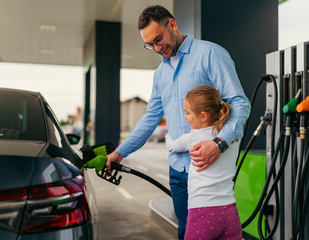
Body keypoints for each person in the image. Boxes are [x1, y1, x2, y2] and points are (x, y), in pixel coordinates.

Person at [106, 5, 250, 239]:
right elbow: (150, 118)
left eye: (158, 39)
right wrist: (120, 152)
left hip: (208, 167)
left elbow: (239, 103)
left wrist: (220, 144)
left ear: (172, 25)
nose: (156, 47)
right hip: (178, 172)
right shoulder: (160, 75)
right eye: (150, 44)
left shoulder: (210, 54)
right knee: (185, 232)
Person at [166, 86, 242, 240]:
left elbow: (172, 146)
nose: (185, 117)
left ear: (203, 116)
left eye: (187, 112)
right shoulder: (232, 138)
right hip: (230, 212)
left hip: (203, 213)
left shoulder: (193, 137)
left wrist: (168, 134)